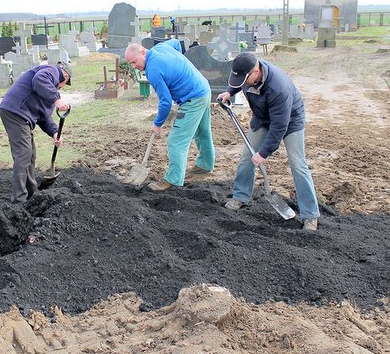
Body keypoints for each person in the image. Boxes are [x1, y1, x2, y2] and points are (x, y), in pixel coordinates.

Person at [217, 52, 320, 231]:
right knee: (246, 157)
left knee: (298, 164)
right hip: (262, 117)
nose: (241, 82)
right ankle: (240, 196)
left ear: (256, 72)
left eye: (244, 79)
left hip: (290, 121)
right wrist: (229, 92)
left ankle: (310, 215)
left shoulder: (278, 88)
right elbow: (237, 83)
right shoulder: (246, 69)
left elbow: (279, 127)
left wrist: (264, 153)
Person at [124, 40, 215, 191]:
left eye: (135, 62)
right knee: (202, 131)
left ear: (143, 52)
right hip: (203, 88)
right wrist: (177, 67)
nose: (134, 66)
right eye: (131, 64)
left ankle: (173, 180)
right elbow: (177, 44)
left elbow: (165, 102)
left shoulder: (152, 71)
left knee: (176, 141)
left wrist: (157, 123)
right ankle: (205, 165)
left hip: (192, 98)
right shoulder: (160, 47)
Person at [0, 62, 71, 203]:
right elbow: (39, 79)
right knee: (23, 153)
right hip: (15, 111)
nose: (61, 86)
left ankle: (31, 192)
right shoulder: (52, 71)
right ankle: (18, 199)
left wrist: (55, 132)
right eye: (65, 83)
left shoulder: (49, 91)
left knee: (30, 154)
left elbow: (44, 118)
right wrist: (57, 99)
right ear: (65, 76)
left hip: (22, 116)